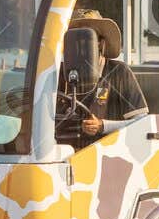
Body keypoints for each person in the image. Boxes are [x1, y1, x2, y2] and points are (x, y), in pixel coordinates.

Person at [58, 8, 148, 146]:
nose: (79, 43)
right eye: (74, 38)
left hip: (105, 156)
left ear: (101, 42)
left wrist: (102, 126)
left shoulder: (119, 72)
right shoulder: (59, 73)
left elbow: (142, 122)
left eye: (86, 37)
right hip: (61, 155)